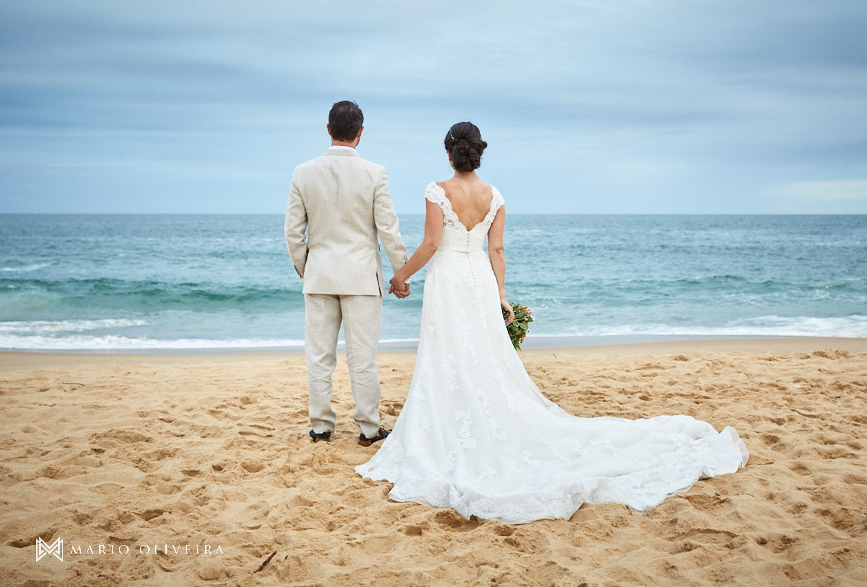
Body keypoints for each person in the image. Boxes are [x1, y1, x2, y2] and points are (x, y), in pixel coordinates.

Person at [356, 121, 749, 524]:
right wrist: (501, 295)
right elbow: (497, 249)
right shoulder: (495, 196)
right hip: (478, 283)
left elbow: (433, 244)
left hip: (449, 280)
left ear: (448, 152)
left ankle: (454, 427)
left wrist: (401, 275)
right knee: (484, 355)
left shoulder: (436, 191)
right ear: (478, 152)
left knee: (449, 355)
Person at [285, 100, 409, 447]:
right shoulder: (375, 173)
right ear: (360, 132)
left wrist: (304, 269)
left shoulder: (302, 172)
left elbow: (293, 233)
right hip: (361, 279)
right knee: (362, 358)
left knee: (319, 357)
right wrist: (400, 273)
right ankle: (369, 428)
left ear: (328, 129)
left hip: (320, 275)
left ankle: (321, 426)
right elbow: (388, 229)